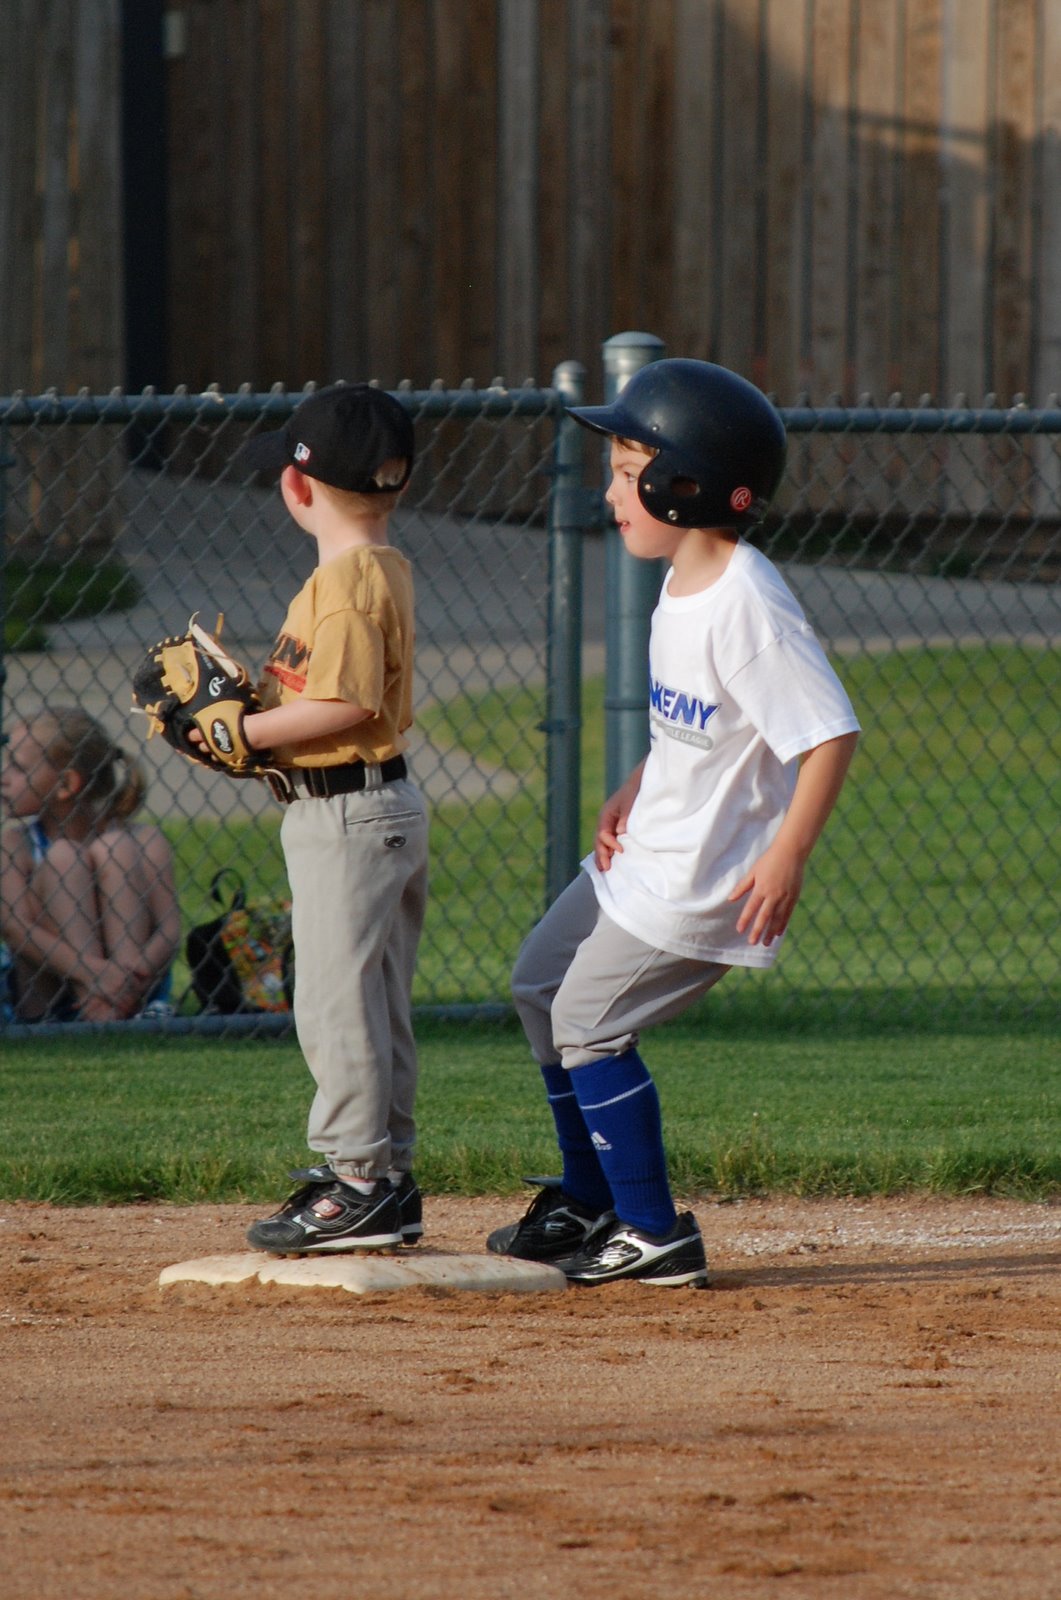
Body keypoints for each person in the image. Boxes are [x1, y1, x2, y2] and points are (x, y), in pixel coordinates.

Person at [492, 358, 861, 1287]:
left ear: (685, 485)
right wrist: (635, 782)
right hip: (646, 848)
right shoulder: (682, 580)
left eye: (628, 474)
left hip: (701, 880)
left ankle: (653, 1230)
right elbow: (699, 724)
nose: (611, 493)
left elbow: (828, 734)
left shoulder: (746, 604)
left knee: (586, 1022)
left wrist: (787, 853)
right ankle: (588, 1199)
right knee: (539, 983)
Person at [234, 384, 429, 1255]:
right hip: (374, 806)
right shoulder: (380, 566)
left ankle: (356, 1181)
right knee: (374, 998)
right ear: (398, 482)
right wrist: (260, 713)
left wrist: (243, 735)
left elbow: (346, 703)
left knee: (334, 1002)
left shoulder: (344, 586)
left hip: (346, 812)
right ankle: (387, 1179)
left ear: (296, 486)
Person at [0, 707, 180, 1022]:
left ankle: (118, 1010)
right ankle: (94, 1009)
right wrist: (93, 973)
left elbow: (170, 930)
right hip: (47, 998)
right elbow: (15, 930)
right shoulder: (15, 844)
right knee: (63, 857)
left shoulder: (143, 840)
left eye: (18, 767)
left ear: (66, 784)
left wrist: (127, 978)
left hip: (133, 988)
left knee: (115, 849)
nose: (3, 777)